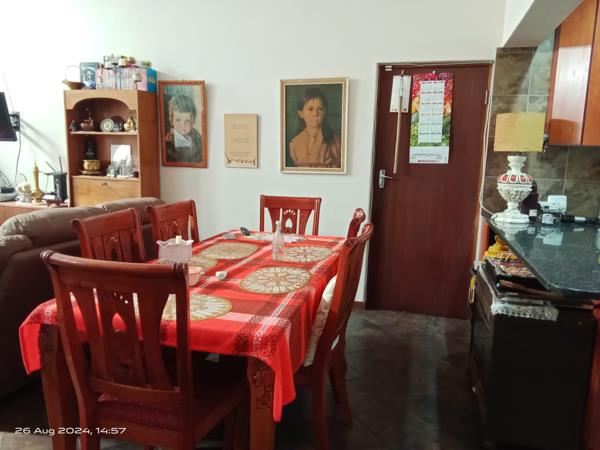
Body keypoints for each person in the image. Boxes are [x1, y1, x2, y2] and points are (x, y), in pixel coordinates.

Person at [289, 87, 341, 168]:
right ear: (301, 114)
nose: (315, 113)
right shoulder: (295, 143)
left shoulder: (335, 142)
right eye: (310, 109)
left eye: (320, 109)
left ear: (325, 112)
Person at [165, 94, 202, 163]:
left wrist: (174, 142)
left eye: (187, 121)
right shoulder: (170, 135)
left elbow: (188, 155)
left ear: (192, 122)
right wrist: (169, 142)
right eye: (178, 120)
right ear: (171, 121)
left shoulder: (195, 138)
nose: (183, 125)